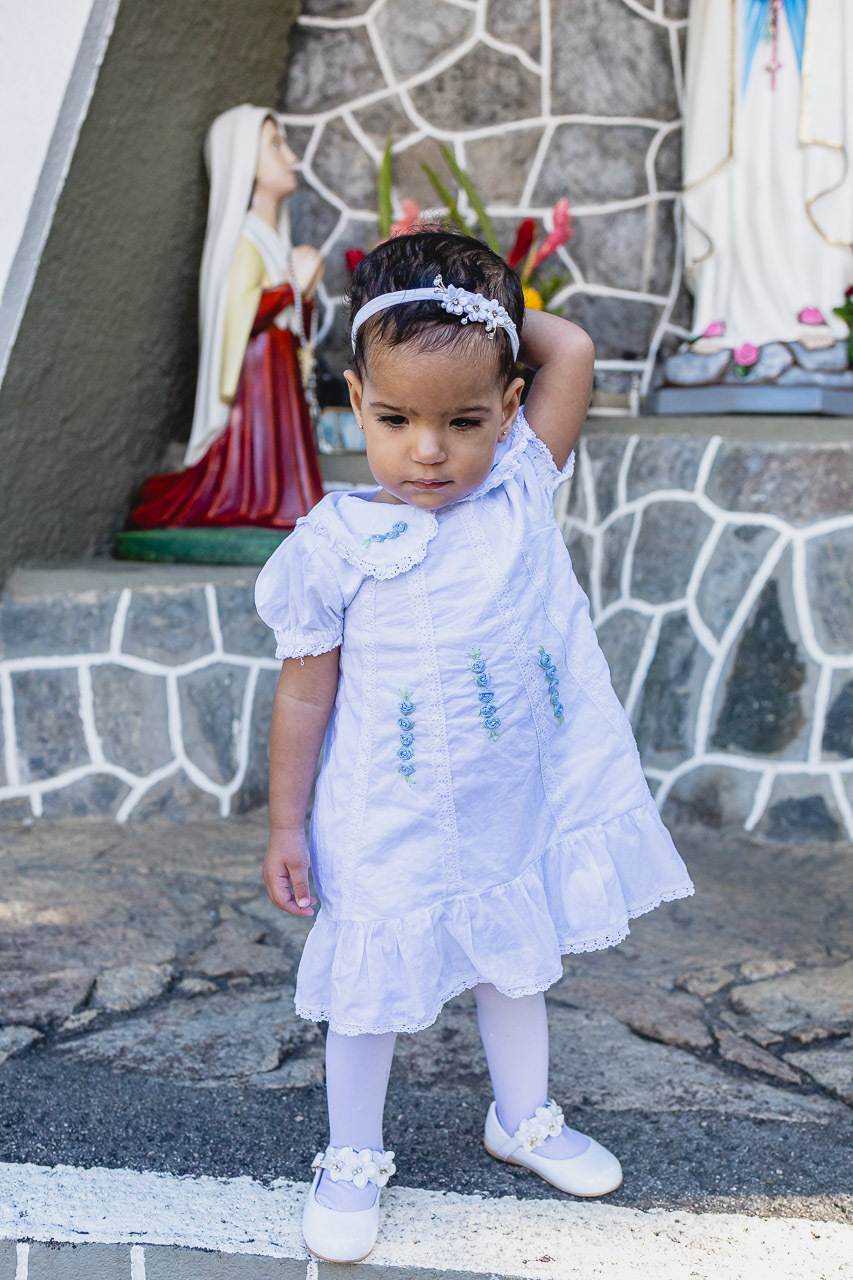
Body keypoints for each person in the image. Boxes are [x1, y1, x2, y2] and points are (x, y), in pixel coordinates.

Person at [254, 230, 694, 1264]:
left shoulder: (522, 484)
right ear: (355, 401)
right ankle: (352, 1151)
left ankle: (522, 1113)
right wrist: (285, 819)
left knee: (513, 958)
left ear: (506, 407)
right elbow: (304, 693)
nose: (429, 451)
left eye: (463, 420)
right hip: (383, 810)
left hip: (507, 798)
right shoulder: (332, 545)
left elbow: (571, 350)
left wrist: (481, 301)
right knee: (369, 988)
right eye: (397, 418)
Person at [127, 105, 325, 531]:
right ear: (243, 161)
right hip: (256, 376)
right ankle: (258, 499)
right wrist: (294, 284)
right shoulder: (246, 238)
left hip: (277, 371)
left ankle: (284, 498)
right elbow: (242, 312)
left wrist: (302, 292)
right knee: (255, 473)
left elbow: (288, 316)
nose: (291, 157)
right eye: (275, 145)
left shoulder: (270, 236)